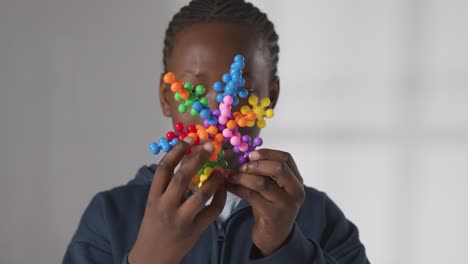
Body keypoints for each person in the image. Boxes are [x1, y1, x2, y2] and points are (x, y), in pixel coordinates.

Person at [63, 0, 370, 263]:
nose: (219, 108)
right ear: (165, 96)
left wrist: (283, 246)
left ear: (271, 96)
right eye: (194, 90)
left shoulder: (319, 217)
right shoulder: (110, 215)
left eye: (242, 89)